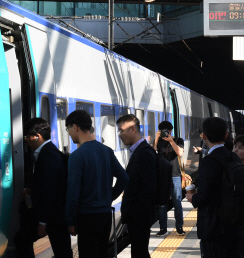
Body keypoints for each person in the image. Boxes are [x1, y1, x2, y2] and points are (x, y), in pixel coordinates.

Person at [65, 110, 128, 258]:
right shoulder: (106, 151)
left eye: (68, 129)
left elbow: (73, 192)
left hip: (86, 217)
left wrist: (69, 220)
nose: (68, 133)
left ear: (75, 127)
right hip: (105, 216)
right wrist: (109, 197)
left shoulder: (76, 156)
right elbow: (124, 177)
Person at [16, 118, 72, 258]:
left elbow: (49, 191)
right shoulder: (49, 153)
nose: (26, 140)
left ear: (37, 136)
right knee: (62, 250)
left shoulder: (48, 156)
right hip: (55, 215)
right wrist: (32, 189)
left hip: (54, 216)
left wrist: (42, 222)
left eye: (27, 136)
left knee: (23, 240)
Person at [186, 117, 242, 258]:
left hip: (213, 225)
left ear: (203, 136)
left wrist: (193, 197)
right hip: (234, 221)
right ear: (226, 135)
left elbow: (204, 195)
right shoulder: (234, 158)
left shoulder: (208, 162)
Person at [118, 114, 157, 258]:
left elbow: (149, 188)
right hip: (138, 216)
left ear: (132, 129)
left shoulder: (144, 153)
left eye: (122, 131)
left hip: (139, 217)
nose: (120, 135)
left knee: (139, 252)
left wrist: (135, 213)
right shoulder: (140, 151)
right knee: (139, 251)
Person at [154, 121, 185, 236]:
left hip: (175, 175)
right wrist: (157, 139)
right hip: (162, 175)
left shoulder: (178, 140)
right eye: (162, 131)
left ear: (171, 131)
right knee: (162, 204)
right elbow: (152, 153)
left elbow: (180, 153)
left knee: (177, 202)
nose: (165, 133)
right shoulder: (159, 141)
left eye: (167, 131)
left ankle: (179, 227)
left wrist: (171, 141)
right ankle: (163, 228)